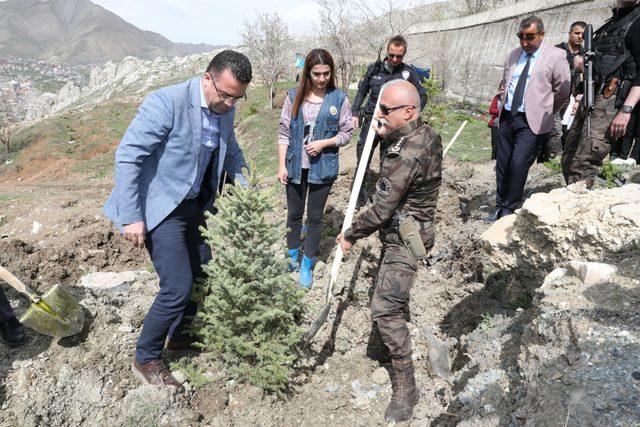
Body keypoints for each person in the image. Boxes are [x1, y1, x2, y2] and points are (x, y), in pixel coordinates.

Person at [103, 50, 251, 389]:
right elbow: (128, 157)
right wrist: (131, 217)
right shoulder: (167, 102)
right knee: (177, 287)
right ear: (207, 78)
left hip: (194, 205)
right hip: (161, 208)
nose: (229, 104)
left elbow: (232, 150)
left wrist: (247, 185)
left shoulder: (225, 109)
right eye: (225, 95)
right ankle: (146, 357)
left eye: (237, 98)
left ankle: (180, 335)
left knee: (203, 272)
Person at [336, 80, 442, 422]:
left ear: (408, 111)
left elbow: (381, 209)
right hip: (412, 228)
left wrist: (350, 234)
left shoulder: (405, 153)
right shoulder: (424, 135)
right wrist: (388, 136)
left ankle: (406, 387)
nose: (378, 115)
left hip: (405, 238)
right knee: (391, 297)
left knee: (383, 308)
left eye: (385, 110)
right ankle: (390, 346)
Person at [277, 49, 353, 289]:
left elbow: (347, 133)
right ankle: (291, 257)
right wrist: (281, 165)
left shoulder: (338, 99)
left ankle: (308, 263)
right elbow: (284, 131)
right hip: (295, 167)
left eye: (326, 73)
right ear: (307, 73)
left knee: (315, 217)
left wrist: (324, 143)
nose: (321, 79)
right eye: (316, 74)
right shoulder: (294, 97)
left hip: (323, 167)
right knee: (294, 214)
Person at [487, 16, 570, 221]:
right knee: (503, 164)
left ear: (541, 34)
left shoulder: (556, 56)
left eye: (530, 37)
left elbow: (563, 90)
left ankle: (509, 208)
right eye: (521, 37)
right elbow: (506, 83)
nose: (525, 43)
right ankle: (500, 205)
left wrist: (546, 110)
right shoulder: (514, 55)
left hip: (532, 121)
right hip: (507, 117)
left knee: (518, 163)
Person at [563, 0, 640, 186]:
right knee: (569, 156)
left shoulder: (637, 22)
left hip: (611, 100)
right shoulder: (612, 23)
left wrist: (626, 111)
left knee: (585, 159)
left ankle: (578, 206)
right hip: (591, 95)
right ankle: (576, 199)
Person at [351, 35, 428, 205]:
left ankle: (384, 197)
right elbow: (362, 91)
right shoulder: (374, 70)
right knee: (363, 159)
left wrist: (411, 115)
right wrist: (355, 112)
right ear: (387, 51)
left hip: (392, 126)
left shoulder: (408, 74)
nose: (394, 59)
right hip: (371, 122)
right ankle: (357, 196)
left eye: (398, 56)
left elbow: (422, 96)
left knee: (389, 162)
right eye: (391, 54)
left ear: (404, 55)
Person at [549, 21, 587, 156]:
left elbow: (584, 74)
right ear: (570, 33)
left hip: (573, 96)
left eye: (583, 34)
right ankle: (555, 154)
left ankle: (564, 152)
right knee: (555, 126)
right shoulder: (557, 50)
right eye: (577, 33)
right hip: (554, 94)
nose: (580, 36)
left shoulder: (585, 53)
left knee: (569, 125)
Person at [488, 83, 505, 160]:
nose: (503, 91)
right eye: (501, 89)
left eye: (504, 89)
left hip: (506, 124)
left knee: (503, 145)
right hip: (496, 123)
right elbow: (491, 110)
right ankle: (493, 160)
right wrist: (500, 111)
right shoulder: (497, 98)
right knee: (495, 144)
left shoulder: (510, 99)